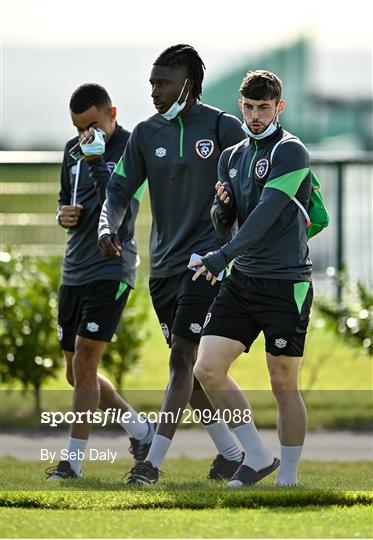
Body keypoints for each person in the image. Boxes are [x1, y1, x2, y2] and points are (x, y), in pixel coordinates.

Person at [98, 44, 247, 485]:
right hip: (161, 270)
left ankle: (150, 464)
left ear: (188, 83)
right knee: (192, 372)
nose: (154, 91)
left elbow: (254, 179)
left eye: (162, 83)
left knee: (182, 360)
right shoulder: (145, 134)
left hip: (205, 264)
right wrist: (110, 227)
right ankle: (233, 454)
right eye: (152, 83)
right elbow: (119, 191)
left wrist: (238, 236)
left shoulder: (223, 127)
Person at [191, 70, 314, 488]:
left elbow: (265, 216)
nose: (256, 115)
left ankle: (290, 480)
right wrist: (221, 212)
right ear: (240, 106)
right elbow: (229, 221)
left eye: (265, 107)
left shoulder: (291, 152)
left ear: (279, 107)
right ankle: (258, 456)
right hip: (242, 281)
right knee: (207, 369)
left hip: (285, 284)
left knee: (282, 383)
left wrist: (221, 255)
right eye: (250, 107)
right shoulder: (230, 157)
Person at [47, 83, 154, 480]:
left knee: (87, 360)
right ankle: (141, 431)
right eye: (78, 130)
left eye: (92, 125)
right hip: (73, 271)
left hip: (111, 266)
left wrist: (95, 161)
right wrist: (63, 215)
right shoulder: (72, 151)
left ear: (113, 112)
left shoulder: (131, 149)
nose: (85, 136)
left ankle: (72, 464)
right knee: (75, 373)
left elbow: (117, 200)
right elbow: (63, 199)